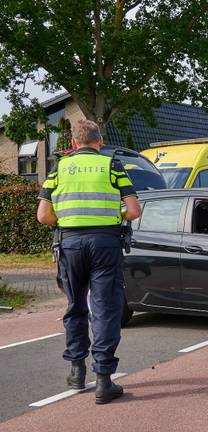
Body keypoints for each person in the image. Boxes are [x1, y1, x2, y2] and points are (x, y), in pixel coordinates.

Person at [36, 120, 142, 405]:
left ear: (72, 143)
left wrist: (70, 218)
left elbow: (44, 216)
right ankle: (104, 381)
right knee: (105, 309)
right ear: (101, 141)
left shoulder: (59, 169)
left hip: (69, 244)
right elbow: (133, 211)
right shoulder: (113, 166)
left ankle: (76, 372)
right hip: (105, 243)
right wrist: (110, 214)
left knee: (75, 306)